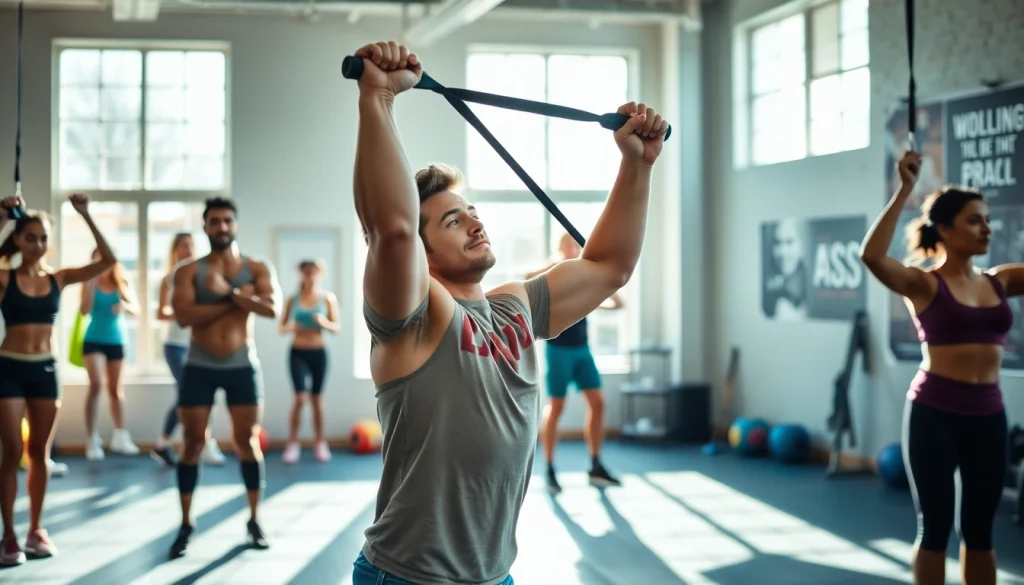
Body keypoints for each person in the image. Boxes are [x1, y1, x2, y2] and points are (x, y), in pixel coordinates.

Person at [349, 41, 669, 585]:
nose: (476, 223)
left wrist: (636, 165)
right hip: (407, 577)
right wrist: (377, 99)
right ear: (421, 257)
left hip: (495, 575)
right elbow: (394, 230)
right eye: (452, 221)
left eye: (471, 211)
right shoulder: (415, 317)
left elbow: (611, 265)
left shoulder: (517, 306)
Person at [860, 150, 1017, 585]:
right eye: (973, 220)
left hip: (989, 415)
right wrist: (905, 190)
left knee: (981, 532)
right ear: (944, 229)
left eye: (986, 219)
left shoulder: (999, 281)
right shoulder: (924, 283)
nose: (986, 227)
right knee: (935, 529)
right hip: (935, 415)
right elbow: (871, 256)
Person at [0, 193, 118, 566]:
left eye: (43, 238)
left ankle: (36, 529)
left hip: (45, 371)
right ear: (18, 240)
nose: (37, 244)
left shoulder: (59, 277)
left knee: (39, 454)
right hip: (9, 368)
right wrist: (2, 217)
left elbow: (109, 260)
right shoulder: (5, 278)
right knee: (11, 453)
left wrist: (85, 214)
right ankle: (9, 536)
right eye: (30, 236)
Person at [167, 197, 280, 559]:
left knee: (247, 441)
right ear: (205, 226)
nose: (222, 227)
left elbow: (272, 308)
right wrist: (238, 299)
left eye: (227, 221)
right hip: (199, 364)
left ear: (237, 225)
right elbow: (183, 316)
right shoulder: (188, 270)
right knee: (192, 442)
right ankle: (186, 523)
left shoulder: (257, 266)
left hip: (241, 364)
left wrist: (227, 292)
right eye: (214, 221)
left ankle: (254, 519)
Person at [525, 233, 624, 494]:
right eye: (567, 244)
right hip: (558, 351)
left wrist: (601, 273)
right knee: (556, 407)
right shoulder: (551, 277)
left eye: (576, 245)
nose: (572, 248)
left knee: (598, 403)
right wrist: (558, 261)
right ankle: (549, 469)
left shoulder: (584, 279)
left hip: (583, 350)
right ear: (558, 248)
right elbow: (526, 277)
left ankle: (595, 465)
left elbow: (618, 303)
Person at [151, 233, 227, 468]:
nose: (189, 248)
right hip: (175, 345)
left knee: (198, 394)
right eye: (184, 245)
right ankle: (203, 443)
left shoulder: (201, 278)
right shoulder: (168, 279)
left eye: (192, 244)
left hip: (199, 343)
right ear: (175, 250)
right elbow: (160, 313)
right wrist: (185, 314)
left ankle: (165, 444)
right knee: (189, 393)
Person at [80, 248, 141, 460]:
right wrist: (90, 282)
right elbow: (84, 311)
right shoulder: (89, 281)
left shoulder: (121, 280)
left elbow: (136, 309)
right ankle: (91, 439)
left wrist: (124, 306)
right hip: (93, 339)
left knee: (115, 390)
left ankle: (120, 435)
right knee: (96, 385)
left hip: (116, 340)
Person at [278, 259, 340, 464]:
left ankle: (320, 443)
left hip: (318, 352)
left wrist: (323, 323)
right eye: (306, 273)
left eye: (313, 272)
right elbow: (281, 328)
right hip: (297, 352)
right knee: (299, 398)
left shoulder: (327, 299)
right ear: (301, 274)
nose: (310, 276)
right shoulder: (292, 299)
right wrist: (293, 327)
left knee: (316, 399)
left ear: (320, 274)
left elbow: (336, 327)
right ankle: (292, 444)